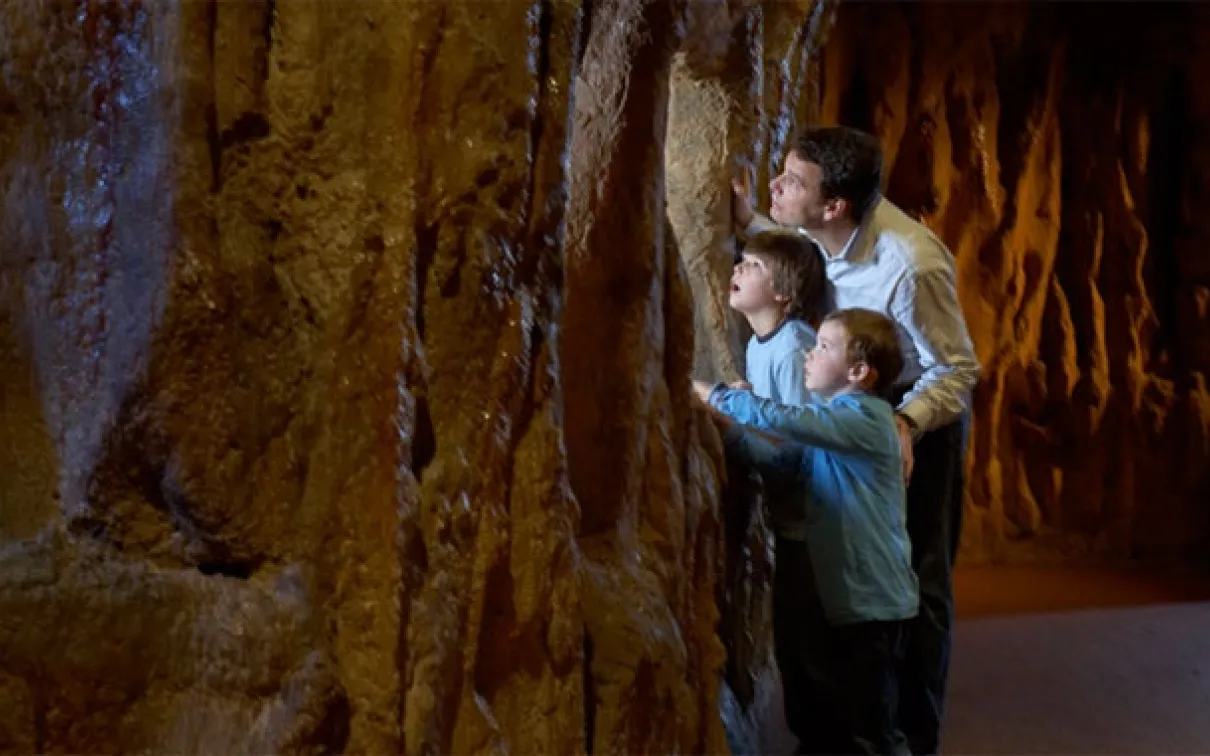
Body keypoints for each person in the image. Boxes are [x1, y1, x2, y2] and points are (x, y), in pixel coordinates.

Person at [733, 125, 980, 755]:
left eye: (792, 181)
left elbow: (956, 369)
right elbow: (798, 242)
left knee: (914, 583)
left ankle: (909, 738)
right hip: (851, 401)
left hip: (917, 414)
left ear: (836, 205)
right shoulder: (819, 229)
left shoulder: (910, 265)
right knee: (842, 569)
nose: (777, 185)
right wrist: (753, 221)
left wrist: (905, 423)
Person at [694, 307, 918, 755]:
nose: (808, 357)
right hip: (841, 597)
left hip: (871, 604)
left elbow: (786, 419)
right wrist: (730, 434)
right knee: (822, 710)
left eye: (823, 348)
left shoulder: (868, 420)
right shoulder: (836, 421)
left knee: (869, 726)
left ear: (859, 372)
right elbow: (784, 462)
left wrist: (715, 396)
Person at [729, 228, 827, 406]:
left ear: (782, 292)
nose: (738, 268)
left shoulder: (793, 347)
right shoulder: (755, 343)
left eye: (756, 265)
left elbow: (800, 424)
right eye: (743, 260)